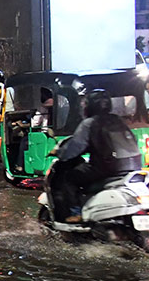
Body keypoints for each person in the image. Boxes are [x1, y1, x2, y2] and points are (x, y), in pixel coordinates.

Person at [49, 89, 143, 222]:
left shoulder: (90, 123)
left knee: (68, 177)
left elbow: (74, 148)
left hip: (108, 167)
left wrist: (60, 153)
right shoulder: (117, 120)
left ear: (90, 106)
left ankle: (75, 212)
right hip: (133, 166)